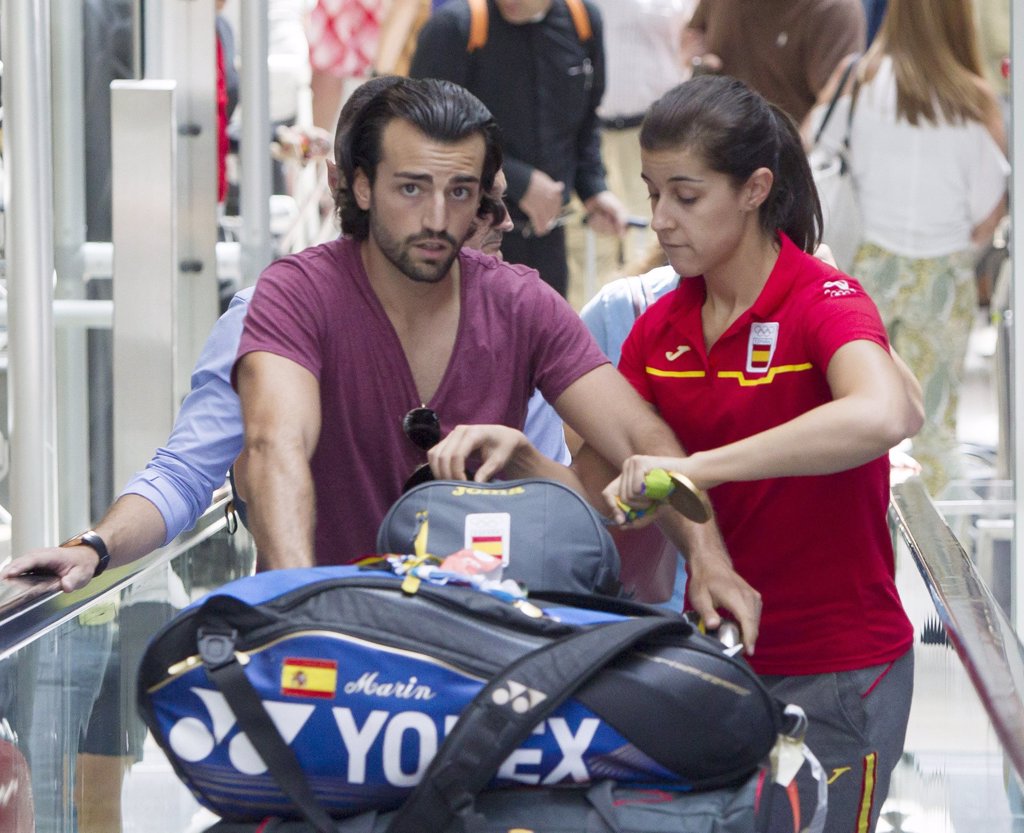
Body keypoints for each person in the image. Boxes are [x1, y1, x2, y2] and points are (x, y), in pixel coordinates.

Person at [0, 76, 565, 593]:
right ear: (365, 192)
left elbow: (557, 506)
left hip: (480, 638)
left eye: (476, 195)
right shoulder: (276, 310)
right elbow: (184, 471)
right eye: (475, 201)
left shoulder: (518, 312)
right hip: (322, 645)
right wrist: (94, 547)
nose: (501, 220)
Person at [600, 75, 922, 833]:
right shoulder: (660, 329)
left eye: (686, 195)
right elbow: (602, 483)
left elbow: (883, 411)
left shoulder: (823, 298)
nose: (661, 220)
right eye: (652, 195)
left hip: (840, 673)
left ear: (755, 189)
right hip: (715, 659)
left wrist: (699, 467)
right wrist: (519, 466)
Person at [232, 76, 704, 574]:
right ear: (362, 186)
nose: (437, 218)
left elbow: (640, 439)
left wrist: (708, 561)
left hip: (482, 631)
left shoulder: (520, 301)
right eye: (411, 188)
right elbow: (275, 446)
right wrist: (299, 601)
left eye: (459, 192)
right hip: (338, 629)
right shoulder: (297, 293)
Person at [810, 0, 1008, 494]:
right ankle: (934, 561)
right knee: (934, 427)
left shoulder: (859, 78)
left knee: (860, 412)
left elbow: (814, 142)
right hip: (942, 277)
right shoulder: (973, 99)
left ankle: (861, 528)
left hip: (868, 265)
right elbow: (989, 210)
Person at [409, 0, 628, 297]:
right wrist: (518, 181)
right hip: (469, 235)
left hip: (546, 235)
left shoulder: (582, 20)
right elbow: (427, 133)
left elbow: (585, 119)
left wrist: (593, 189)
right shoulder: (455, 27)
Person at [679, 0, 865, 124]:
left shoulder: (833, 9)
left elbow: (834, 107)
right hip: (711, 147)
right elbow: (694, 34)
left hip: (781, 164)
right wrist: (697, 62)